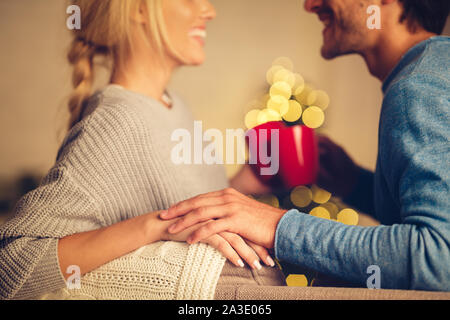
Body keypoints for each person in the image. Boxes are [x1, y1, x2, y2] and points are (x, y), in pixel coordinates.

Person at [162, 0, 450, 291]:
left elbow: (438, 259)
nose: (310, 5)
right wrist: (357, 184)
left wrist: (276, 226)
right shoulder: (432, 71)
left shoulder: (418, 87)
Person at [0, 0, 278, 300]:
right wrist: (157, 226)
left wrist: (241, 184)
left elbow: (167, 198)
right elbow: (14, 266)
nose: (209, 10)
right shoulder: (116, 120)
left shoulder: (174, 104)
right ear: (139, 8)